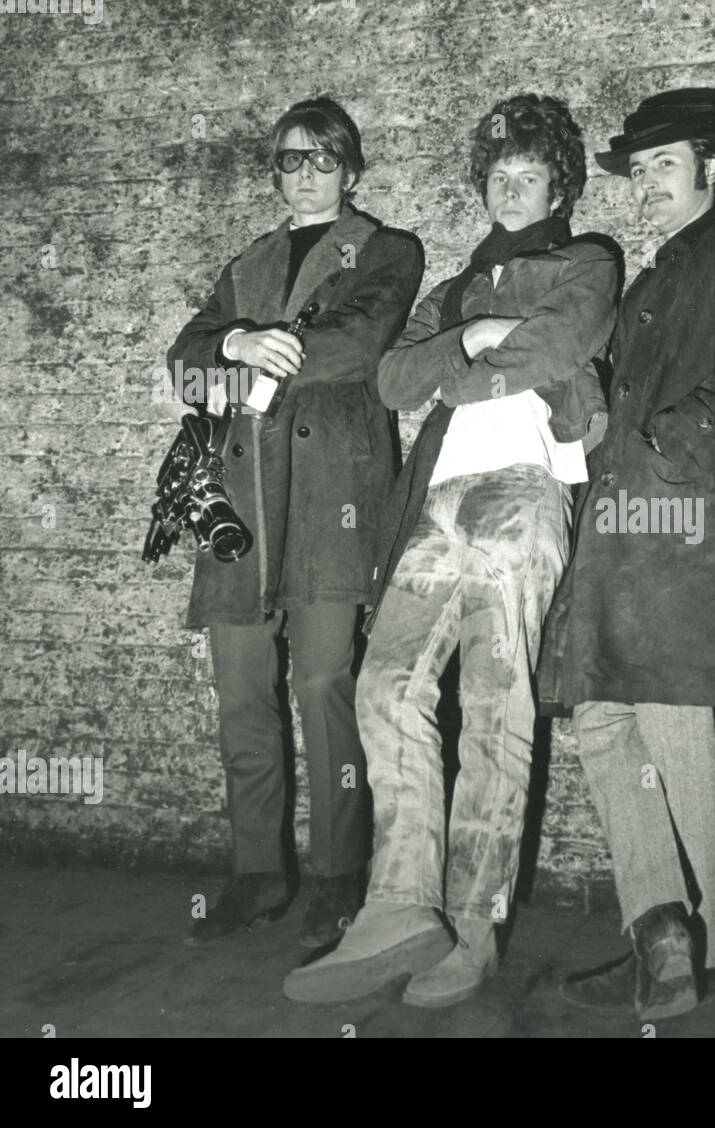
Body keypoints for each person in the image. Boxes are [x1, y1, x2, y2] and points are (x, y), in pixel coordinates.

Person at [283, 93, 616, 1009]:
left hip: (525, 489)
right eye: (499, 177)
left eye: (529, 177)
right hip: (436, 500)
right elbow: (393, 379)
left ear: (560, 188)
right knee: (384, 688)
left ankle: (474, 926)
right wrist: (471, 334)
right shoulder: (455, 290)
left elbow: (559, 344)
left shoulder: (587, 261)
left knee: (495, 709)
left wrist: (460, 366)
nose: (511, 191)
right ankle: (400, 905)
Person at [542, 88, 715, 1022]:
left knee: (675, 726)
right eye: (640, 169)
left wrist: (662, 448)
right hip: (628, 539)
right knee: (605, 721)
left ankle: (705, 946)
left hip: (686, 534)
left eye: (666, 165)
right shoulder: (658, 276)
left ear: (713, 170)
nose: (646, 183)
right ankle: (660, 930)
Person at [167, 97, 424, 948]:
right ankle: (257, 874)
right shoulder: (248, 263)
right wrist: (234, 345)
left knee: (323, 685)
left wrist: (263, 355)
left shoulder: (387, 250)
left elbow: (360, 345)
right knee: (242, 694)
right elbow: (185, 364)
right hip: (241, 503)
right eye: (289, 159)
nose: (305, 174)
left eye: (322, 159)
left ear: (351, 170)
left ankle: (339, 875)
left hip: (329, 502)